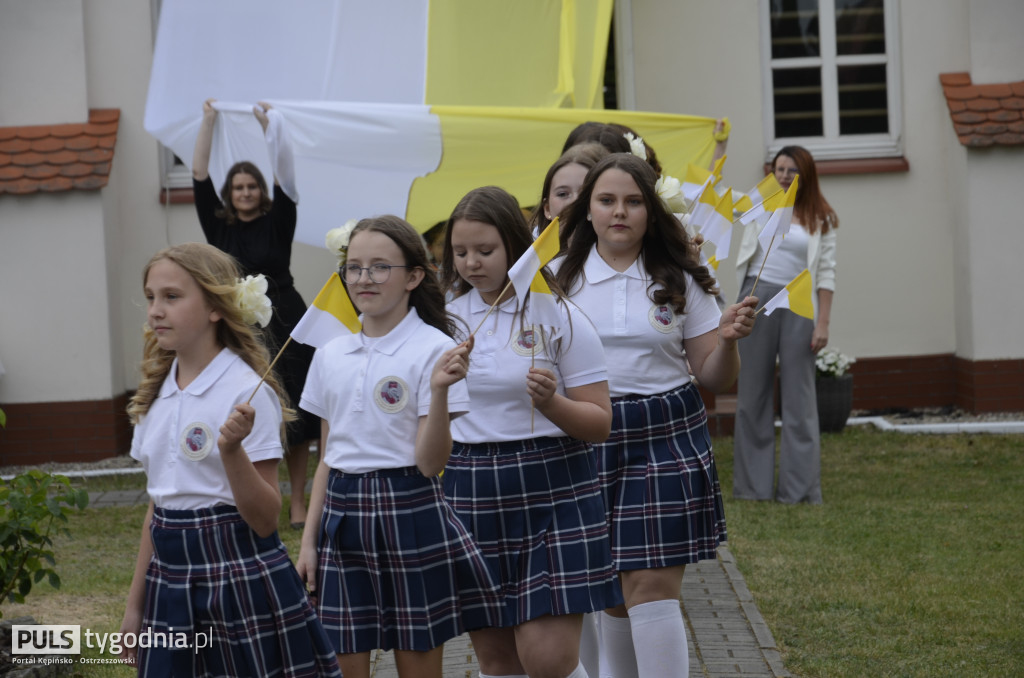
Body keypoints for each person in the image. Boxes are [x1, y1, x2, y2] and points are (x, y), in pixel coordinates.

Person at [554, 153, 758, 678]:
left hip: (667, 433)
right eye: (606, 200)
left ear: (651, 210)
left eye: (633, 201)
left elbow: (712, 375)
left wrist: (730, 342)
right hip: (584, 434)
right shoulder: (554, 278)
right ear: (588, 210)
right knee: (613, 593)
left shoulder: (682, 274)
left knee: (650, 587)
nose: (619, 212)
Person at [120, 243, 341, 677]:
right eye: (151, 297)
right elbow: (158, 509)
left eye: (172, 296)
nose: (155, 311)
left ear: (216, 308)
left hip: (236, 575)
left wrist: (231, 452)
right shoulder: (154, 394)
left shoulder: (245, 391)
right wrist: (135, 607)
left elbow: (264, 520)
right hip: (170, 580)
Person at [295, 216, 502, 678]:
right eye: (354, 267)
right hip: (342, 520)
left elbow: (431, 464)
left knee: (417, 666)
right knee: (341, 664)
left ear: (413, 276)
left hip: (410, 511)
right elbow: (327, 459)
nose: (364, 279)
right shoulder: (330, 355)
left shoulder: (434, 349)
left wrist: (441, 388)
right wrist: (309, 542)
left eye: (379, 267)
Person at [438, 186, 619, 678]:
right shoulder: (445, 322)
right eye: (460, 253)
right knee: (498, 662)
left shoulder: (559, 313)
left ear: (516, 247)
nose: (471, 263)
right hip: (471, 488)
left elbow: (599, 423)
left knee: (549, 660)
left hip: (554, 487)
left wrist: (552, 403)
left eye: (485, 250)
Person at [193, 98, 316, 528]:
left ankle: (298, 501)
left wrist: (270, 126)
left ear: (260, 191)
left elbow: (286, 174)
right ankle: (262, 493)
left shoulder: (279, 219)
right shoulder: (219, 228)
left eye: (251, 186)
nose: (245, 192)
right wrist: (209, 121)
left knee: (296, 412)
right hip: (239, 327)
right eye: (238, 187)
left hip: (285, 319)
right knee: (252, 409)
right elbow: (199, 175)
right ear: (230, 194)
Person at [732, 145, 838, 504]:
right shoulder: (761, 203)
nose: (784, 176)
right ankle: (752, 489)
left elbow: (826, 273)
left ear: (805, 174)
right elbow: (725, 207)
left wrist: (822, 322)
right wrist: (718, 147)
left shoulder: (821, 218)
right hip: (756, 300)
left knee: (800, 400)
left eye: (792, 170)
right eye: (779, 169)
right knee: (752, 395)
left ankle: (800, 491)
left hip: (798, 304)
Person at [527, 142, 609, 237]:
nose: (574, 200)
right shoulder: (532, 250)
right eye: (562, 194)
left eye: (584, 193)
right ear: (547, 208)